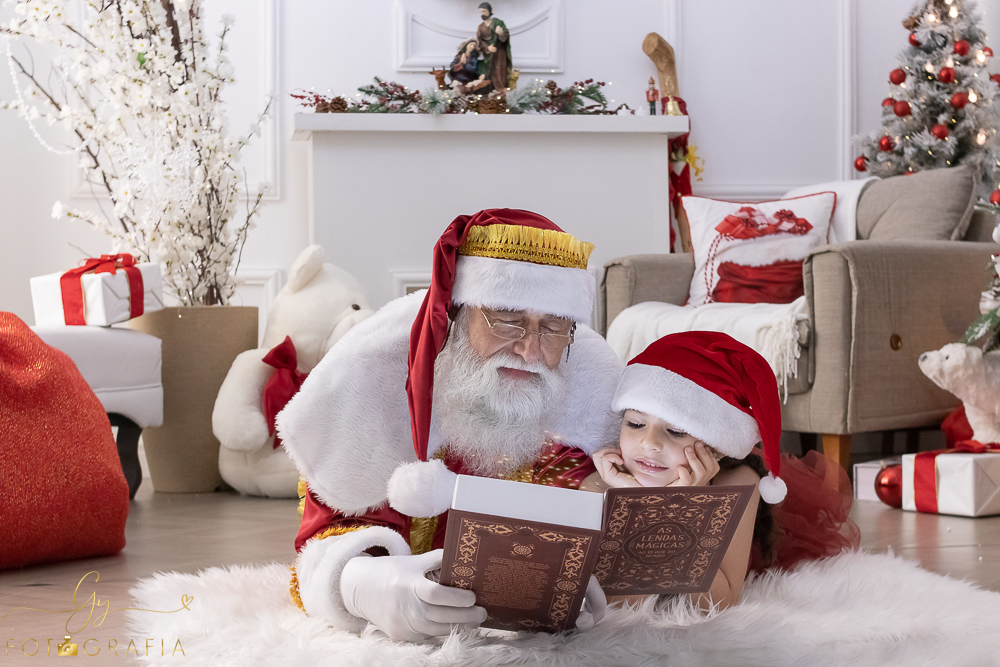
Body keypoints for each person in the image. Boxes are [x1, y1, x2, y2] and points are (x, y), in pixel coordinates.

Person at [278, 209, 624, 641]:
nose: (529, 349)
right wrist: (369, 586)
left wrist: (604, 545)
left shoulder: (576, 392)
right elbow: (323, 543)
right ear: (457, 315)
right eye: (508, 318)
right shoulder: (374, 385)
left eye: (552, 327)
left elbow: (587, 499)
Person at [581, 331, 860, 610]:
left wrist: (672, 507)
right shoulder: (602, 482)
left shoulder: (738, 483)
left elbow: (719, 599)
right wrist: (632, 496)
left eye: (676, 431)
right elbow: (611, 597)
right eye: (636, 424)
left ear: (713, 448)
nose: (649, 443)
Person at [476, 2, 511, 93]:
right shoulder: (480, 27)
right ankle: (490, 94)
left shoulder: (498, 23)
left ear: (489, 11)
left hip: (499, 53)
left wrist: (500, 34)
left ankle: (500, 93)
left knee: (499, 73)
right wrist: (488, 48)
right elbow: (479, 42)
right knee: (489, 74)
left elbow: (506, 35)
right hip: (488, 55)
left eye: (484, 11)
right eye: (481, 12)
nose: (482, 14)